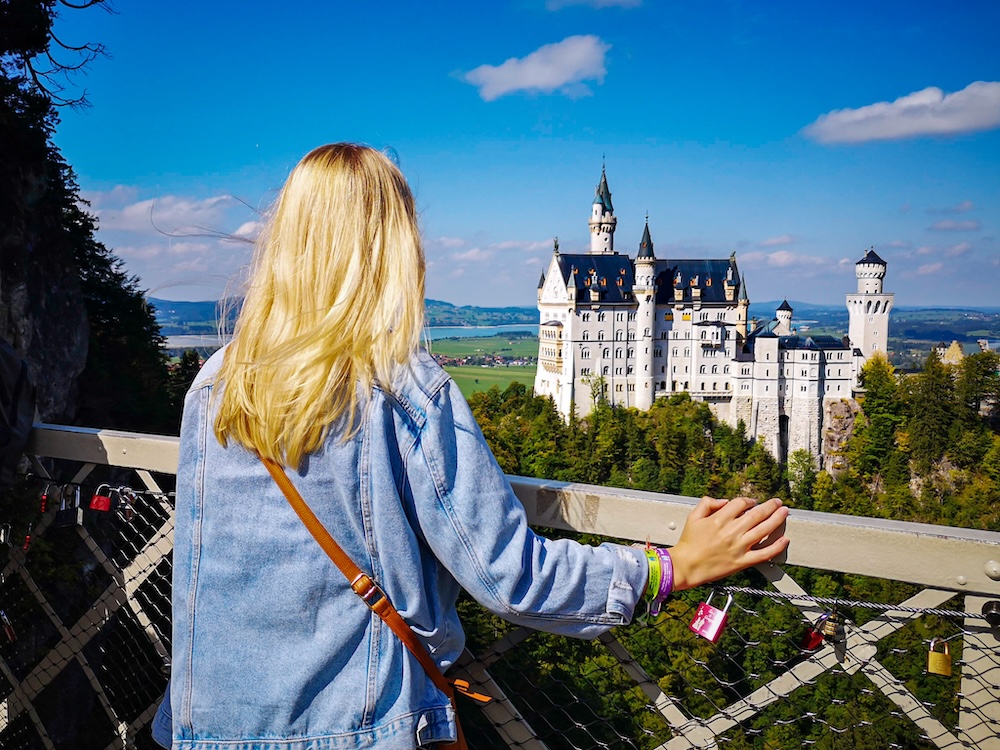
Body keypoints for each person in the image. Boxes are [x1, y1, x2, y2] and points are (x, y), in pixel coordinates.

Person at [164, 143, 789, 750]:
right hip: (356, 725)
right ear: (395, 249)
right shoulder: (403, 385)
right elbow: (513, 577)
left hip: (206, 723)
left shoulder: (215, 382)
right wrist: (669, 568)